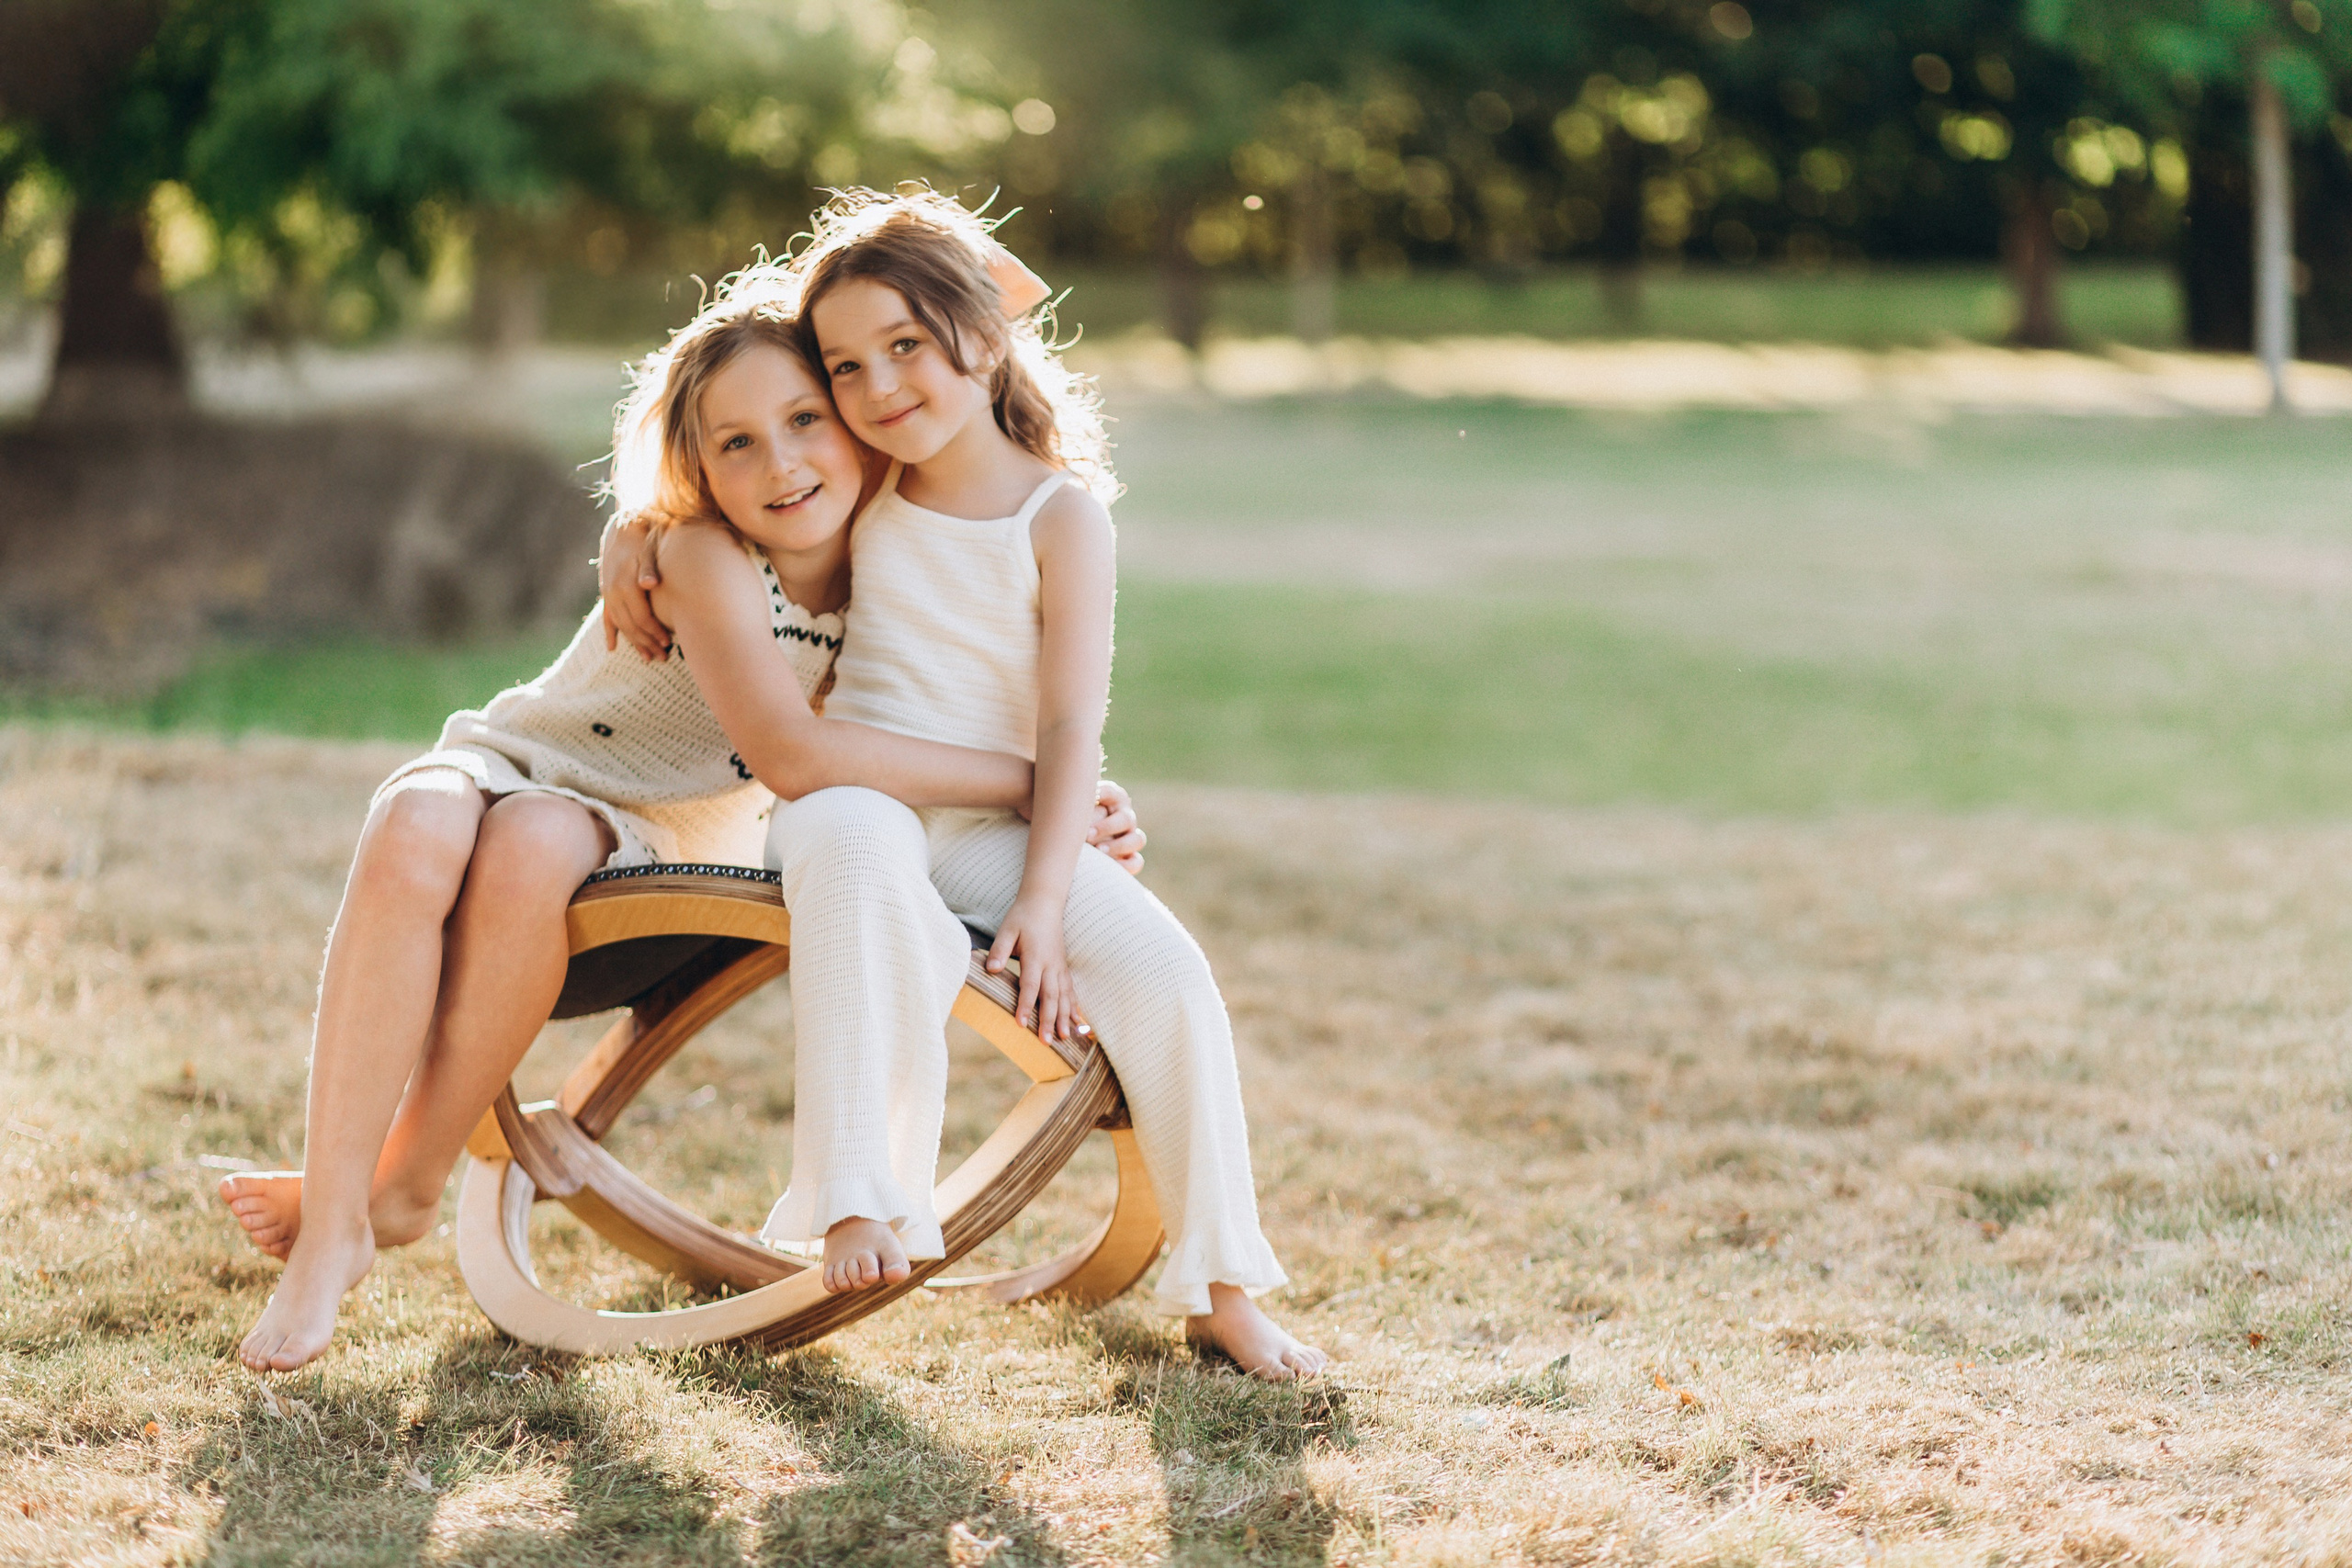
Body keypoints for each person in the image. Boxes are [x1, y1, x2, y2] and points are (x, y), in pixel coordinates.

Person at [220, 268, 1142, 1372]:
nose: (782, 462)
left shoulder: (908, 546)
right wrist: (1034, 783)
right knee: (416, 821)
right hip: (534, 754)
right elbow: (797, 755)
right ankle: (336, 1230)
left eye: (807, 417)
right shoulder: (702, 547)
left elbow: (975, 299)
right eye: (735, 444)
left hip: (671, 840)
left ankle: (408, 1184)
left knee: (527, 847)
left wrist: (1067, 792)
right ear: (695, 466)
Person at [605, 189, 1329, 1380]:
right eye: (846, 365)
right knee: (852, 842)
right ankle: (854, 1197)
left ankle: (1223, 1286)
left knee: (1167, 974)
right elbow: (714, 485)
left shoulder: (1061, 515)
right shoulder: (858, 479)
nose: (881, 387)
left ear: (983, 335)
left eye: (908, 347)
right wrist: (628, 532)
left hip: (996, 825)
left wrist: (1044, 901)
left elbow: (1067, 721)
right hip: (854, 797)